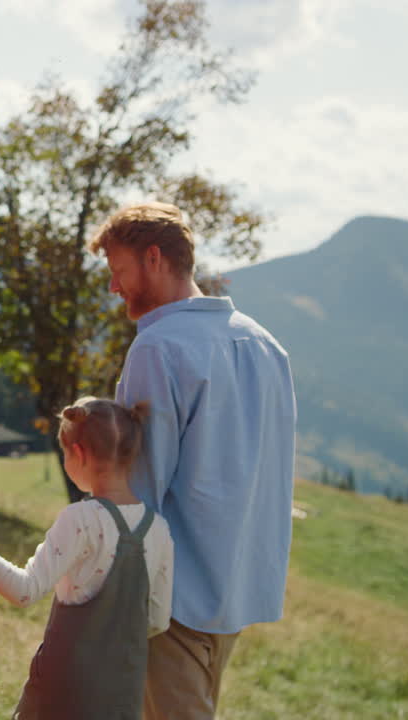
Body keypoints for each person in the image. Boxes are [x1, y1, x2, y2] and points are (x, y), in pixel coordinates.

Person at [90, 202, 297, 720]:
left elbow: (141, 484)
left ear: (153, 258)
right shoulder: (266, 344)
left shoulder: (158, 348)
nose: (115, 288)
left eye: (118, 272)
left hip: (172, 597)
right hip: (235, 588)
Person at [0, 397, 173, 719]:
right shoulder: (159, 529)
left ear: (78, 453)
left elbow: (25, 591)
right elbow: (158, 620)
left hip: (64, 694)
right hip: (123, 697)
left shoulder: (82, 519)